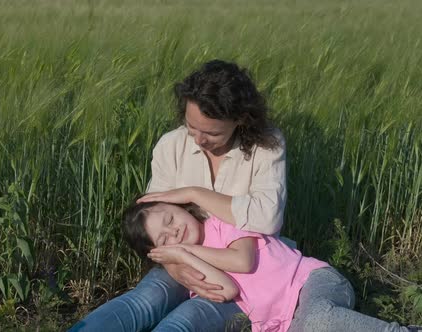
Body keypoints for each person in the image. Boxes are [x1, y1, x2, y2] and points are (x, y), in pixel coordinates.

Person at [70, 60, 286, 331]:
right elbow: (153, 219)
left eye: (212, 132)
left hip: (245, 272)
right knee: (146, 300)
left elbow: (267, 219)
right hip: (179, 259)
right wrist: (177, 265)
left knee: (184, 321)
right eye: (191, 126)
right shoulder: (171, 146)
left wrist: (195, 193)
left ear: (240, 120)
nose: (198, 140)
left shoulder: (265, 147)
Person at [122, 187, 418, 332]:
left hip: (313, 284)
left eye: (170, 218)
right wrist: (184, 257)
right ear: (160, 253)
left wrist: (187, 250)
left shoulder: (224, 221)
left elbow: (243, 261)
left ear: (180, 205)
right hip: (287, 323)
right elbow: (227, 290)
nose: (175, 230)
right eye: (165, 240)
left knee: (318, 320)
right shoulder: (189, 266)